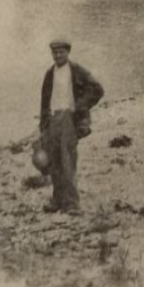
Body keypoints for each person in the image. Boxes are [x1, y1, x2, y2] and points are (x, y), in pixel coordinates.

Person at [36, 38, 104, 214]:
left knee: (68, 160)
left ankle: (72, 203)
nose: (58, 55)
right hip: (53, 119)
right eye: (55, 52)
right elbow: (44, 100)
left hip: (69, 119)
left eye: (61, 52)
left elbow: (97, 89)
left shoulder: (77, 71)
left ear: (68, 52)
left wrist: (80, 106)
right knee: (54, 161)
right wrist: (43, 124)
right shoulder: (49, 73)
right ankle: (57, 200)